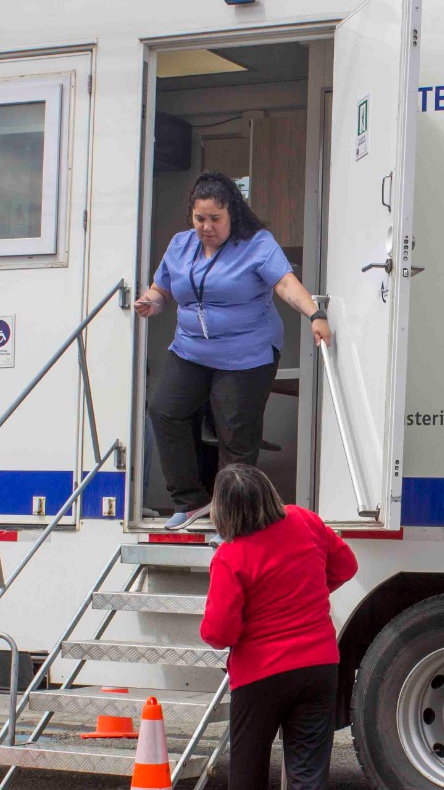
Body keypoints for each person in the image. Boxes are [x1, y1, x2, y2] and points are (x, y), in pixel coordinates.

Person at [199, 463, 357, 790]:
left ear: (225, 512)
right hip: (318, 665)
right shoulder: (304, 521)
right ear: (269, 492)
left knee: (249, 768)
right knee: (307, 773)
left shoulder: (231, 556)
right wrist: (313, 592)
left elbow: (219, 632)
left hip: (260, 674)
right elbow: (346, 564)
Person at [134, 172, 331, 529]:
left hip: (247, 354)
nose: (206, 227)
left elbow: (285, 284)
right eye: (199, 219)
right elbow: (161, 291)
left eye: (215, 219)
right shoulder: (180, 245)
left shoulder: (257, 243)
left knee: (235, 434)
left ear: (232, 214)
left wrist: (315, 314)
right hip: (191, 349)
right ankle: (191, 501)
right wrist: (150, 302)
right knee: (164, 411)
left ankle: (231, 519)